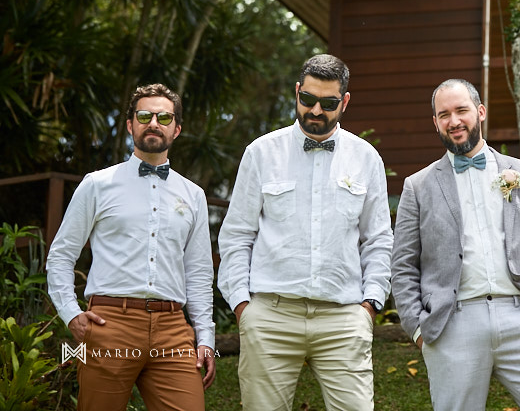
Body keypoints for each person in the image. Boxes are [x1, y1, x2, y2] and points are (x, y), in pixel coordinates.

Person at [217, 53, 393, 411]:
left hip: (343, 317)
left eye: (327, 103)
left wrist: (369, 305)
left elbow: (378, 240)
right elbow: (236, 235)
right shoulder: (261, 153)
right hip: (271, 315)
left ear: (344, 102)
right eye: (307, 99)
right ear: (297, 92)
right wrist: (242, 306)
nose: (315, 110)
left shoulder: (366, 158)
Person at [391, 79, 520, 411]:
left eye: (461, 110)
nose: (453, 121)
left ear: (480, 112)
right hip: (453, 324)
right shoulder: (417, 186)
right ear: (435, 123)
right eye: (444, 115)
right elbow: (402, 266)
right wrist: (417, 328)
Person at [47, 83, 215, 411]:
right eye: (144, 115)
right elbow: (62, 255)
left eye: (164, 117)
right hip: (109, 324)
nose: (154, 122)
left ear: (176, 129)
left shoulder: (193, 194)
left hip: (172, 329)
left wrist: (205, 337)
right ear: (130, 124)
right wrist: (70, 314)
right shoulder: (97, 184)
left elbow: (198, 272)